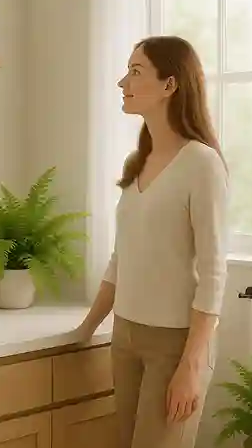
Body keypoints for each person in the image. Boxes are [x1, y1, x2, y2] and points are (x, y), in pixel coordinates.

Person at [74, 35, 229, 448]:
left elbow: (214, 273)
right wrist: (85, 329)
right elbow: (120, 259)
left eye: (136, 71)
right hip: (125, 336)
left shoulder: (202, 163)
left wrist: (191, 364)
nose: (122, 82)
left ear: (169, 85)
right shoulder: (137, 163)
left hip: (174, 344)